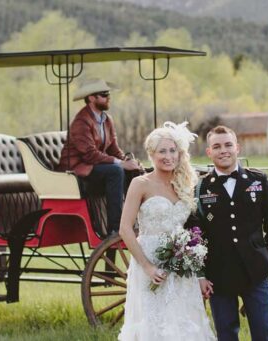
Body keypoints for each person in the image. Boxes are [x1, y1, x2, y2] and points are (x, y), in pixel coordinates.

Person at [117, 122, 215, 341]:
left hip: (181, 265)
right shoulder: (139, 184)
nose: (168, 156)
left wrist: (198, 272)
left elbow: (192, 231)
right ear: (151, 154)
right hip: (149, 260)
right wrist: (148, 267)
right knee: (154, 324)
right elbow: (125, 228)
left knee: (183, 322)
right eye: (162, 151)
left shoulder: (186, 183)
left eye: (173, 150)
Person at [195, 126, 268, 341]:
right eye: (216, 146)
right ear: (209, 152)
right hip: (218, 272)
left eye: (228, 145)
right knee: (226, 333)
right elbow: (195, 234)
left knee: (265, 331)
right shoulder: (200, 187)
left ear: (237, 148)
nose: (223, 150)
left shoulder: (258, 181)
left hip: (256, 270)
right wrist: (200, 274)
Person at [59, 79, 142, 235]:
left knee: (135, 171)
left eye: (108, 94)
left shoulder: (106, 119)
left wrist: (126, 160)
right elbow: (89, 154)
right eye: (104, 95)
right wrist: (120, 164)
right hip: (79, 168)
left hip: (95, 166)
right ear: (91, 98)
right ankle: (115, 228)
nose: (108, 97)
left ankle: (134, 220)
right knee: (116, 171)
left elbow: (113, 148)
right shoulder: (81, 121)